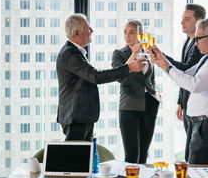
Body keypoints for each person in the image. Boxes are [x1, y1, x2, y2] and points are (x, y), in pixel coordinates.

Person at [149, 18, 208, 164]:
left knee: (197, 177)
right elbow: (186, 74)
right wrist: (162, 59)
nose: (195, 43)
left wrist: (166, 67)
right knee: (193, 171)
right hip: (199, 125)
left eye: (198, 39)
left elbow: (195, 85)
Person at [56, 13, 145, 141]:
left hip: (81, 116)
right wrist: (129, 67)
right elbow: (96, 76)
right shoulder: (69, 53)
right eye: (88, 28)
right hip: (75, 116)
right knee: (75, 158)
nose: (92, 31)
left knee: (84, 158)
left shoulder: (74, 52)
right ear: (77, 33)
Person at [111, 20, 160, 178]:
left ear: (140, 34)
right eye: (125, 32)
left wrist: (156, 96)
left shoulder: (148, 53)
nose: (127, 36)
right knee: (131, 159)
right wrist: (133, 54)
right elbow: (121, 77)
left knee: (143, 157)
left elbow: (151, 80)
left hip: (149, 107)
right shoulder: (119, 54)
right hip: (129, 108)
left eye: (131, 32)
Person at [164, 4, 206, 161]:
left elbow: (187, 70)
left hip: (197, 106)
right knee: (188, 152)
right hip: (187, 103)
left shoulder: (198, 45)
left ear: (199, 21)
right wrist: (180, 102)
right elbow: (183, 76)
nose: (182, 22)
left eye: (187, 19)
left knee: (192, 155)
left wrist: (162, 58)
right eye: (182, 19)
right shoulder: (187, 42)